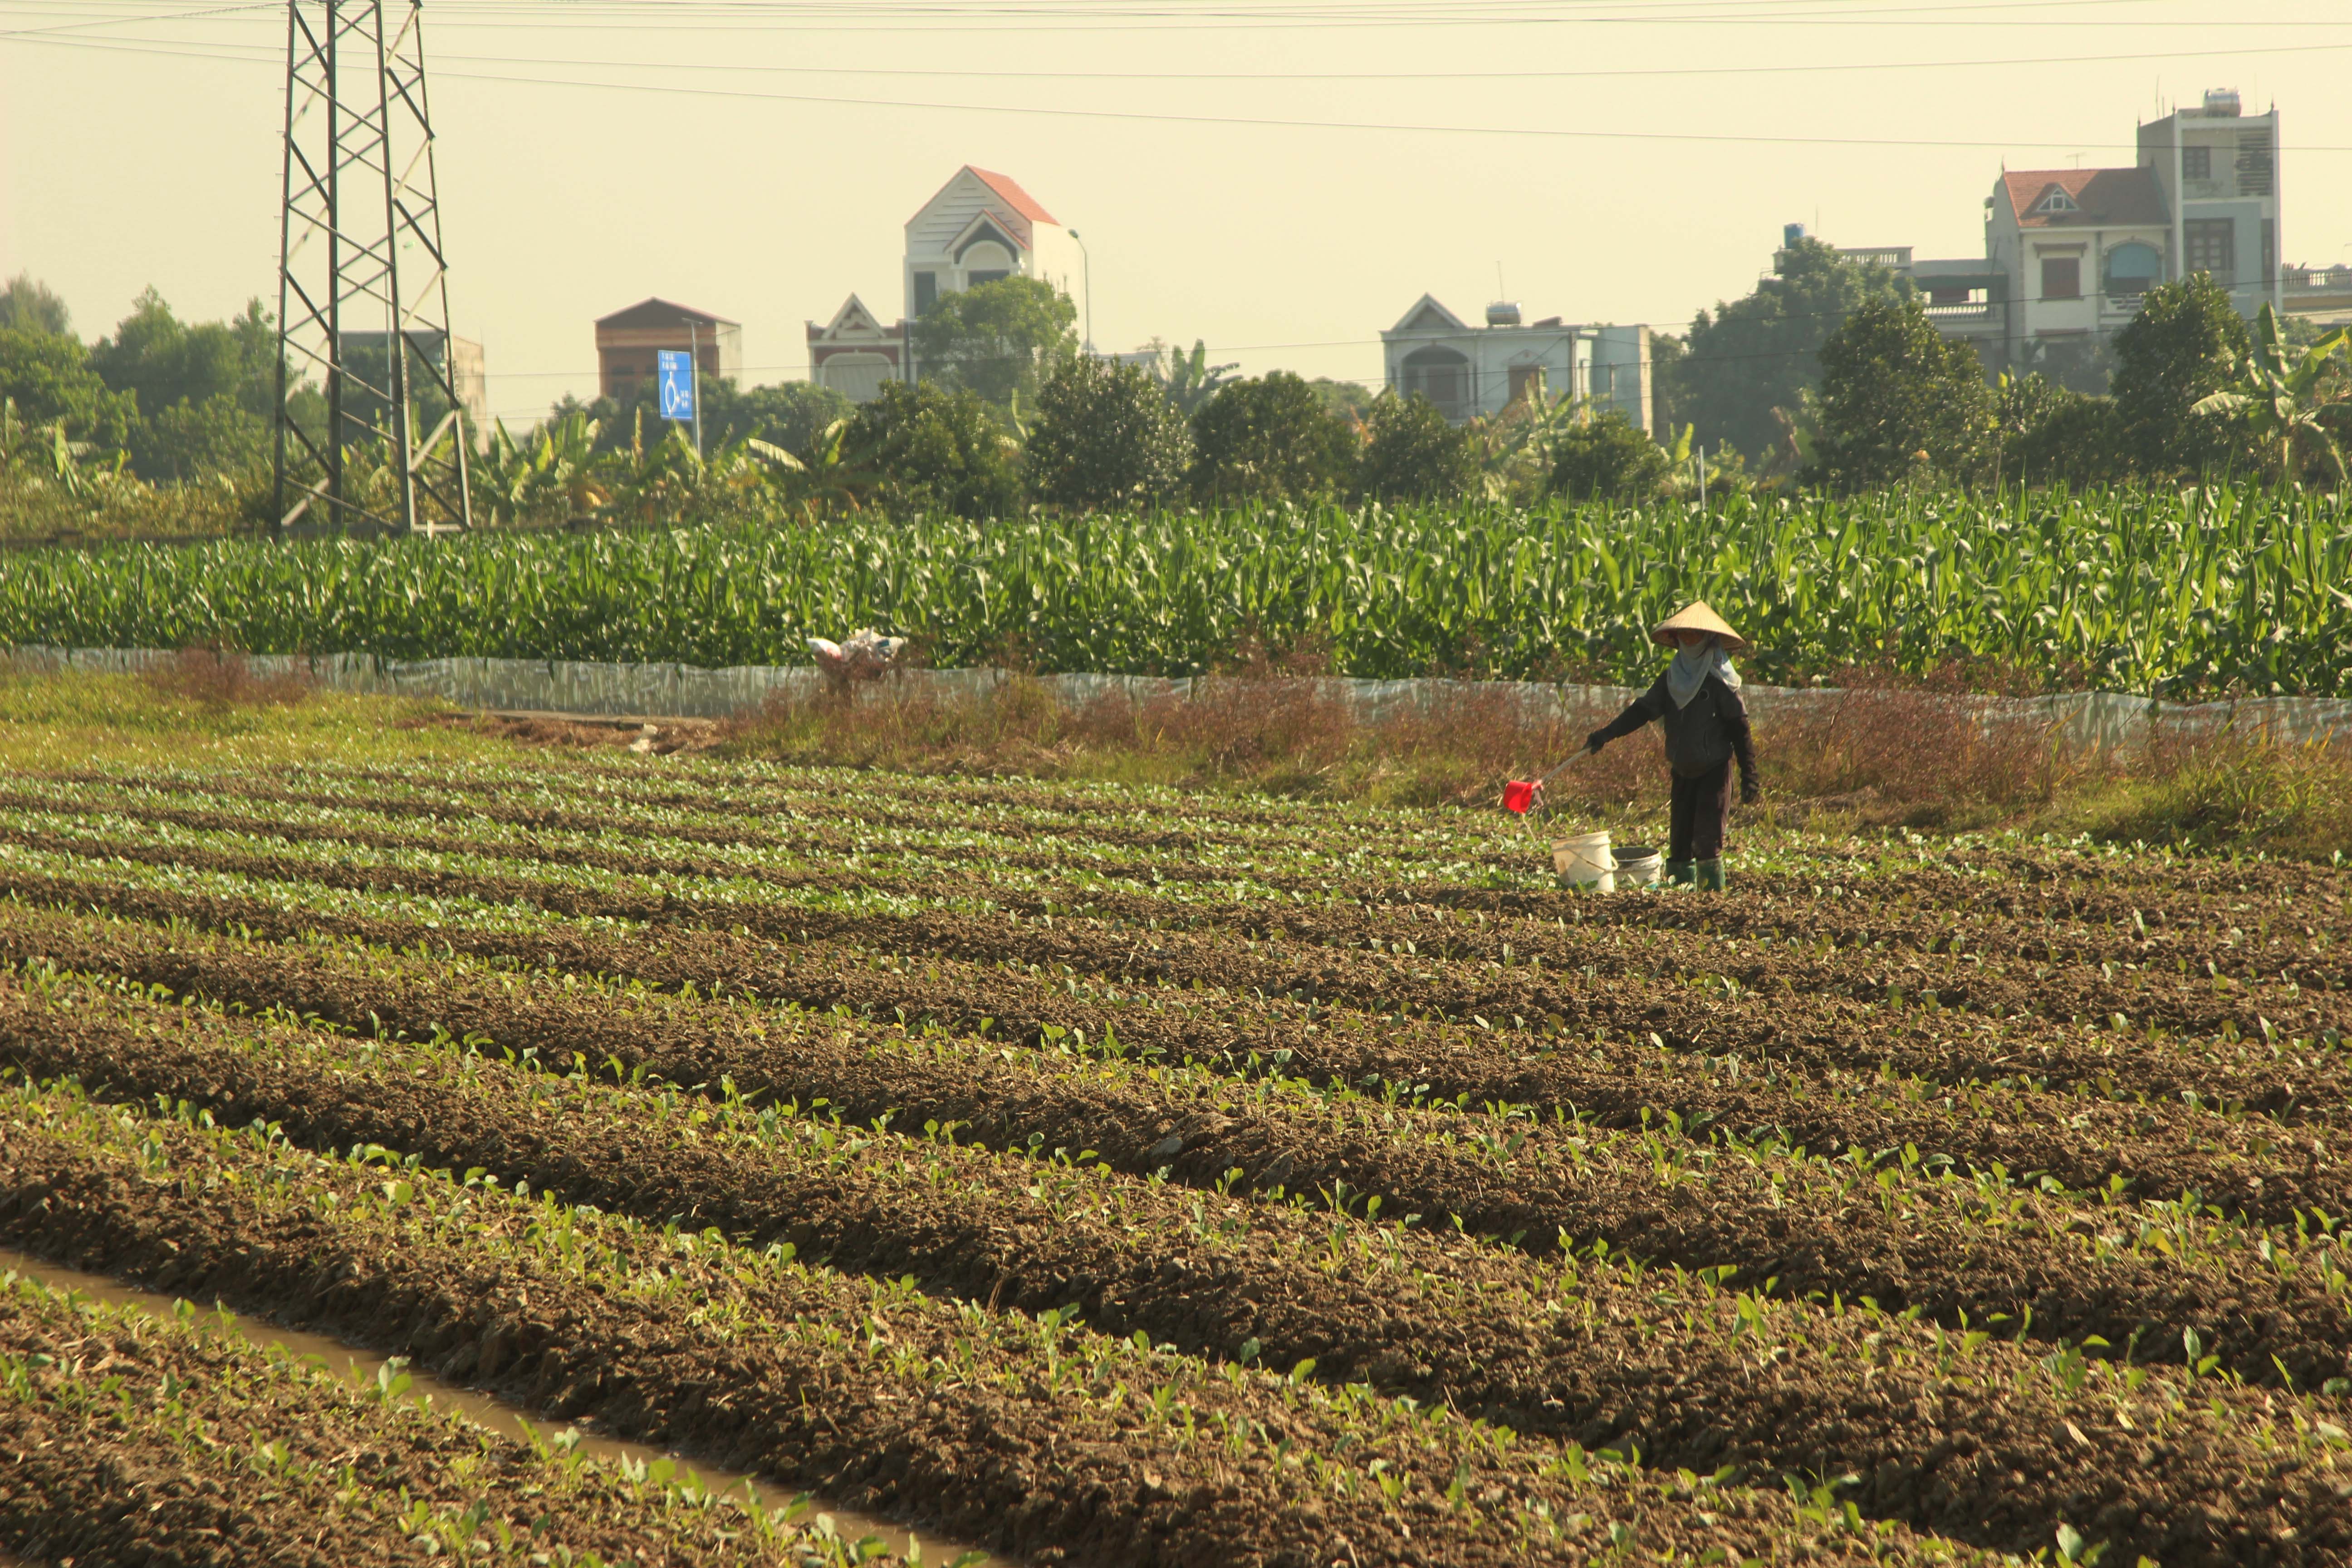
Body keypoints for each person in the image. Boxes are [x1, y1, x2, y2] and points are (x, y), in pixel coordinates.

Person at [1583, 602, 1759, 890]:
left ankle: (1711, 902)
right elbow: (1642, 711)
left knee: (1706, 842)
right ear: (1676, 640)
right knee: (1679, 844)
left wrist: (1749, 776)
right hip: (1682, 771)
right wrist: (1606, 734)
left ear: (1707, 639)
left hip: (1714, 770)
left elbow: (1740, 729)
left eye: (1695, 635)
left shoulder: (1719, 682)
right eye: (1684, 635)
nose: (1688, 640)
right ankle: (1681, 903)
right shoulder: (1671, 679)